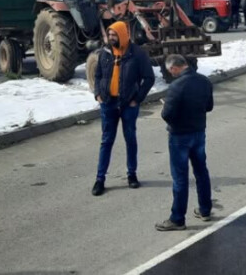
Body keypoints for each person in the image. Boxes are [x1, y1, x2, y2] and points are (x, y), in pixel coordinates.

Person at [92, 21, 156, 196]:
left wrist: (137, 99)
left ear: (122, 35)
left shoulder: (137, 54)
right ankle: (100, 179)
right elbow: (97, 75)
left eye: (114, 35)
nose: (110, 38)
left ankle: (132, 175)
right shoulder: (105, 52)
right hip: (108, 103)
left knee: (130, 139)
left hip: (128, 104)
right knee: (106, 141)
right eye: (109, 35)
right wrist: (97, 93)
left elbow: (149, 78)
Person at [155, 55, 215, 231]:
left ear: (174, 68)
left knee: (180, 178)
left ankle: (177, 218)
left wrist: (166, 106)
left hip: (180, 136)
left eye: (169, 70)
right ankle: (205, 209)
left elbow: (167, 114)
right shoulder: (204, 81)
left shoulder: (176, 86)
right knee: (201, 171)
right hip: (198, 132)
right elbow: (209, 106)